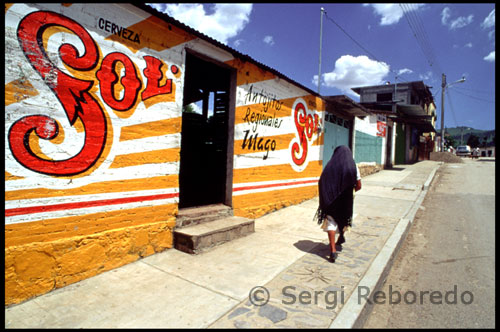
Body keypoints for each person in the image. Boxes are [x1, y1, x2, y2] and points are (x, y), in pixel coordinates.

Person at [315, 146, 362, 263]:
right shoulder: (353, 166)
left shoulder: (330, 165)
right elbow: (359, 185)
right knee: (345, 218)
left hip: (331, 200)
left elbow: (322, 181)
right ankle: (341, 235)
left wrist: (326, 195)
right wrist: (349, 192)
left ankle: (332, 250)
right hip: (346, 200)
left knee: (330, 222)